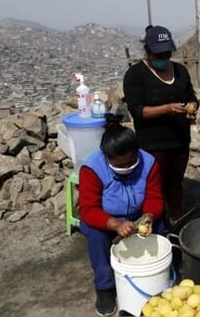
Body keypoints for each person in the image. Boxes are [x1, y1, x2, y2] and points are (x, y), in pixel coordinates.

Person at [78, 115, 165, 316]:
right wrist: (114, 224)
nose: (127, 167)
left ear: (137, 153)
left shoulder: (148, 162)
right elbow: (88, 209)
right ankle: (105, 287)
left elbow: (155, 197)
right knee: (97, 237)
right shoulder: (92, 168)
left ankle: (155, 275)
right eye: (120, 164)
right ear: (107, 157)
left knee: (159, 228)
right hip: (104, 219)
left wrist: (149, 216)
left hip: (138, 215)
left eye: (131, 162)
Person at [123, 25, 198, 222]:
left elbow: (191, 96)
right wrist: (166, 109)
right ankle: (157, 224)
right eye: (159, 54)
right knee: (155, 186)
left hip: (180, 140)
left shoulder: (180, 71)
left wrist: (192, 107)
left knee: (175, 182)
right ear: (148, 52)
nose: (163, 57)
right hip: (153, 144)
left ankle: (176, 219)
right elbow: (138, 111)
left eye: (166, 53)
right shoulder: (135, 75)